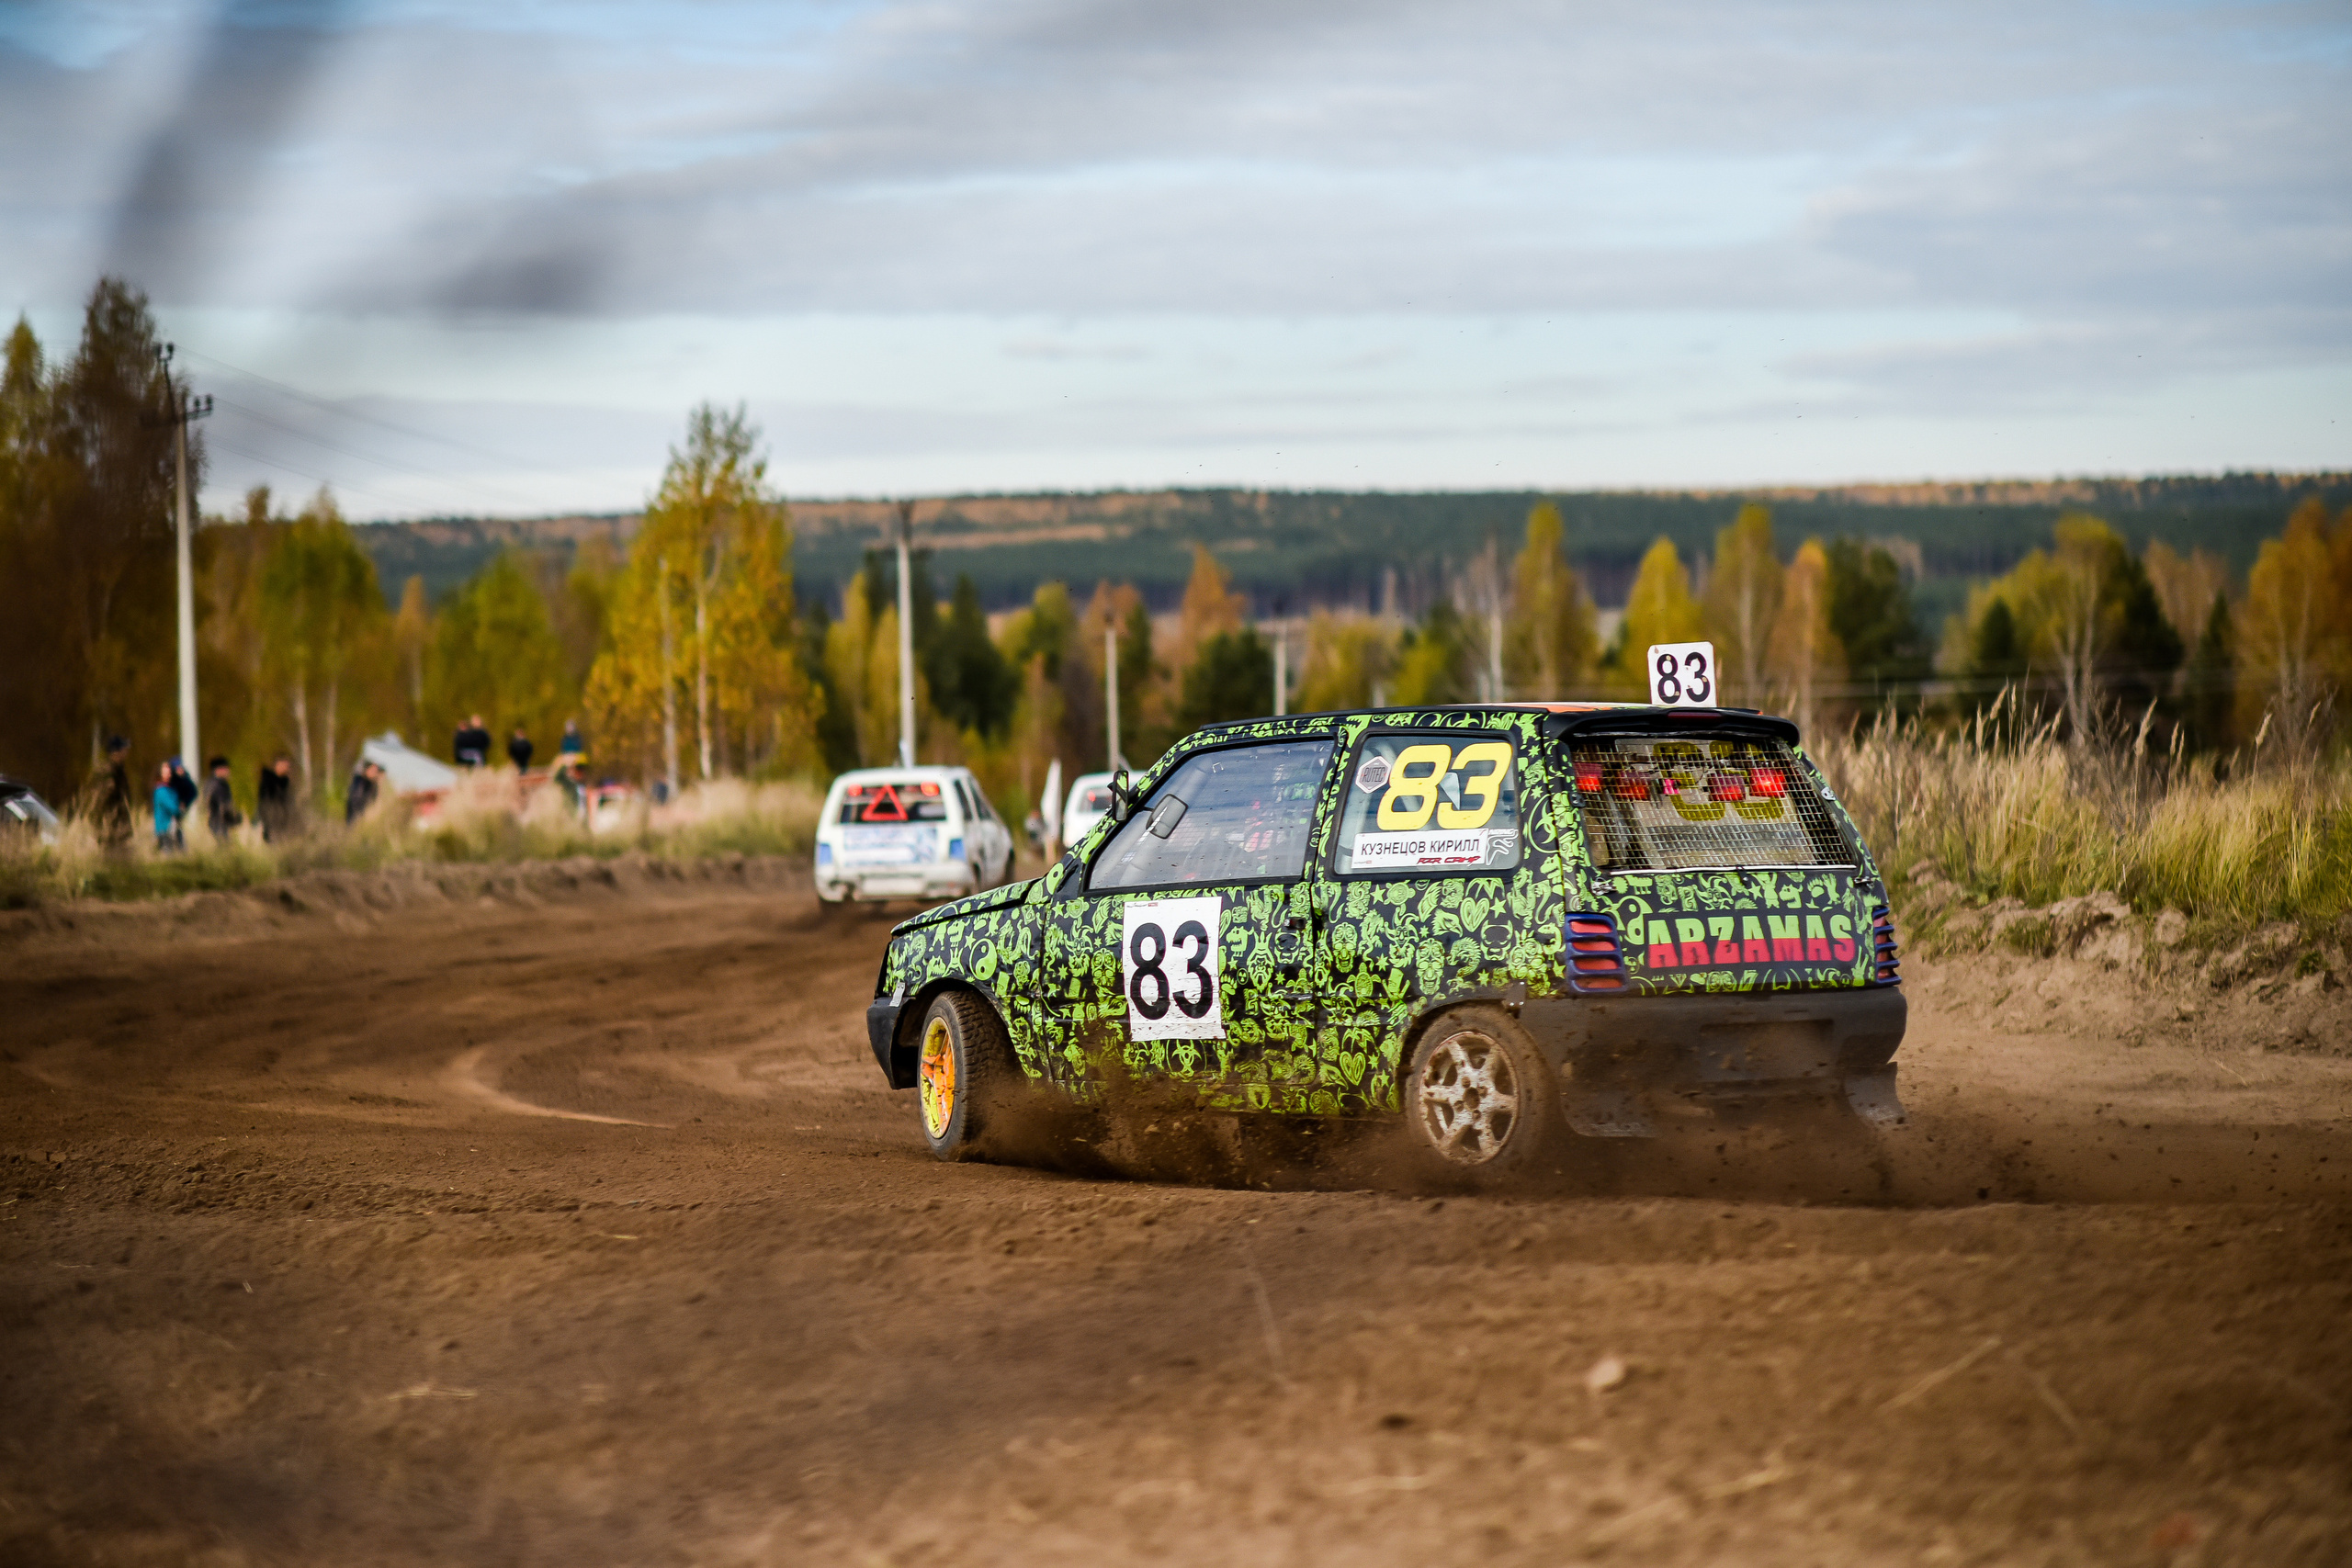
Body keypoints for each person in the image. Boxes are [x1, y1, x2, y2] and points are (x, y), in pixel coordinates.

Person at [85, 736, 134, 847]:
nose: (126, 752)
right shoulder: (108, 771)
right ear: (116, 752)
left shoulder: (119, 770)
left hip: (118, 821)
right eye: (124, 749)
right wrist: (102, 821)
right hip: (111, 822)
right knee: (111, 853)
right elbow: (102, 798)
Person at [257, 755, 294, 841]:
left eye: (288, 766)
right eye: (285, 766)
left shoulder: (284, 782)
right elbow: (265, 803)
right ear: (278, 765)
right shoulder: (268, 782)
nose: (287, 769)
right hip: (272, 822)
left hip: (283, 823)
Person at [204, 756, 241, 839]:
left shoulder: (211, 783)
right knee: (225, 848)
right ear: (218, 770)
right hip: (218, 824)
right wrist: (236, 818)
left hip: (214, 824)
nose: (229, 771)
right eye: (226, 768)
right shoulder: (218, 786)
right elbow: (224, 807)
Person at [152, 762, 185, 852]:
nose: (169, 775)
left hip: (172, 828)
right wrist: (180, 809)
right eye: (166, 773)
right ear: (160, 774)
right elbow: (173, 808)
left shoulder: (171, 789)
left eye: (169, 773)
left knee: (179, 854)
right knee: (169, 854)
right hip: (164, 829)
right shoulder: (161, 790)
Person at [345, 759, 382, 825]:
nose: (373, 773)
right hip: (354, 813)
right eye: (372, 770)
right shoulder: (359, 780)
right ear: (367, 769)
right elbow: (354, 798)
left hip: (363, 816)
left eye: (375, 771)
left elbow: (373, 801)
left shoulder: (373, 785)